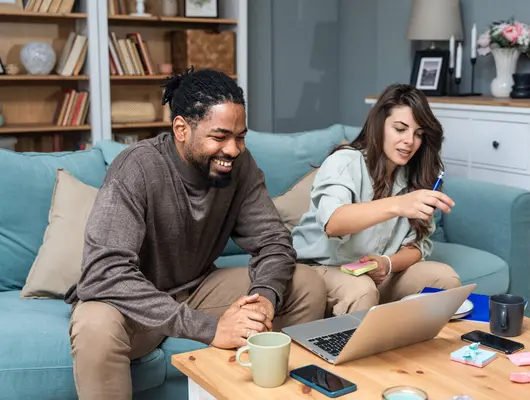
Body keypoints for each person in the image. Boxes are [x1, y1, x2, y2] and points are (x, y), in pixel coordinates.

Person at [65, 67, 327, 400]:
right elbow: (105, 274)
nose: (233, 149)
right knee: (94, 327)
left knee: (306, 286)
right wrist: (212, 329)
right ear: (181, 129)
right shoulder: (137, 168)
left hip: (196, 289)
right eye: (220, 136)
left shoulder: (239, 167)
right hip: (131, 306)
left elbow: (273, 242)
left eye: (240, 136)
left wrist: (263, 298)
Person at [291, 83, 461, 318]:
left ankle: (410, 350)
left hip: (373, 273)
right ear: (379, 125)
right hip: (319, 267)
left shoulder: (414, 178)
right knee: (362, 291)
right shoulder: (345, 162)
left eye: (418, 134)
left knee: (445, 279)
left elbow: (419, 245)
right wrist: (398, 205)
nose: (409, 141)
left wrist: (387, 263)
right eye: (400, 129)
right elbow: (333, 222)